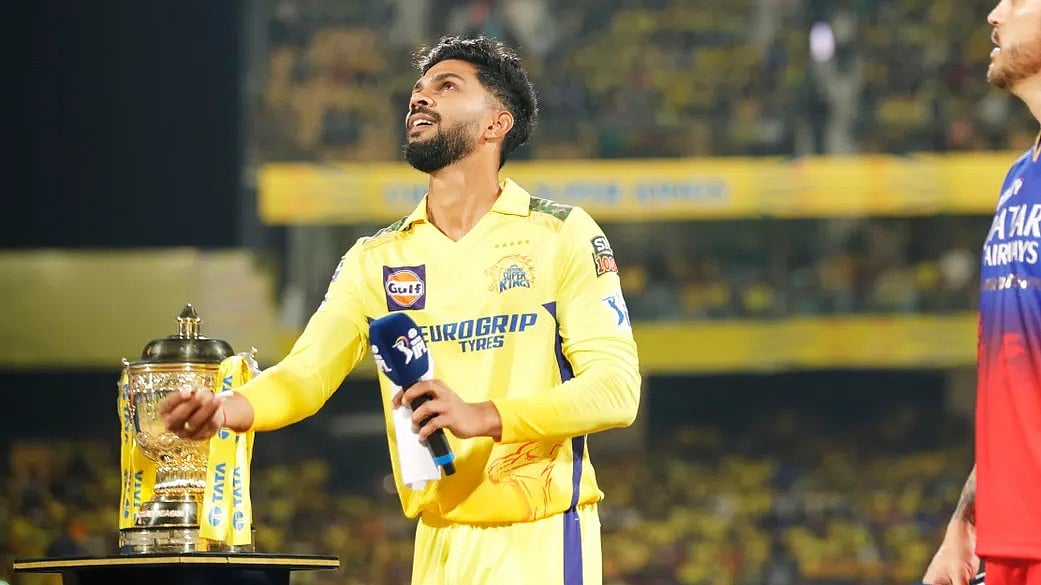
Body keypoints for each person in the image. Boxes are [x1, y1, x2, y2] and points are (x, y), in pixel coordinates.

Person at [159, 35, 641, 585]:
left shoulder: (561, 233)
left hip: (541, 536)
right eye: (417, 89)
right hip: (435, 543)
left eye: (446, 86)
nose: (419, 98)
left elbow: (616, 390)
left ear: (495, 124)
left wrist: (483, 415)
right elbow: (304, 375)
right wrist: (227, 408)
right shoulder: (377, 258)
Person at [923, 2, 1041, 585]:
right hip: (1008, 542)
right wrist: (966, 522)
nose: (995, 13)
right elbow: (1015, 389)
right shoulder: (1019, 179)